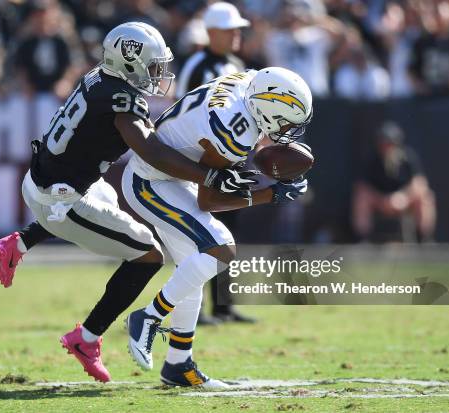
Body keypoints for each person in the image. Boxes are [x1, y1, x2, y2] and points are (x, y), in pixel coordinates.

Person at [0, 22, 256, 383]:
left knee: (110, 196)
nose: (158, 74)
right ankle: (86, 338)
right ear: (129, 62)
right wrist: (208, 176)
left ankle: (20, 241)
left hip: (46, 182)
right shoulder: (122, 98)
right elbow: (149, 150)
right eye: (152, 65)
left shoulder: (101, 77)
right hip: (62, 200)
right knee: (148, 254)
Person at [124, 67, 313, 387]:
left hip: (171, 178)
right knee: (221, 248)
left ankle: (178, 365)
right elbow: (209, 201)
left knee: (192, 271)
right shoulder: (235, 130)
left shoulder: (247, 82)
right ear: (269, 111)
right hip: (151, 182)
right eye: (287, 123)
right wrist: (269, 195)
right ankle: (148, 316)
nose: (289, 132)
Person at [174, 1, 254, 325]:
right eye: (230, 28)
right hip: (202, 159)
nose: (236, 34)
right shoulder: (197, 64)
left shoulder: (237, 64)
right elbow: (182, 109)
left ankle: (223, 305)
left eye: (238, 29)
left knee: (229, 232)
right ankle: (191, 307)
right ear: (211, 32)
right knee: (197, 234)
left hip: (232, 159)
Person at [352, 121, 436, 242]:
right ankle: (362, 240)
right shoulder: (372, 159)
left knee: (426, 196)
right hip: (380, 200)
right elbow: (362, 186)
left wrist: (403, 197)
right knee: (361, 197)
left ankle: (425, 239)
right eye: (383, 143)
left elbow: (420, 182)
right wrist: (383, 199)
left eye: (390, 143)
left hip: (404, 201)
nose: (386, 147)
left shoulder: (408, 157)